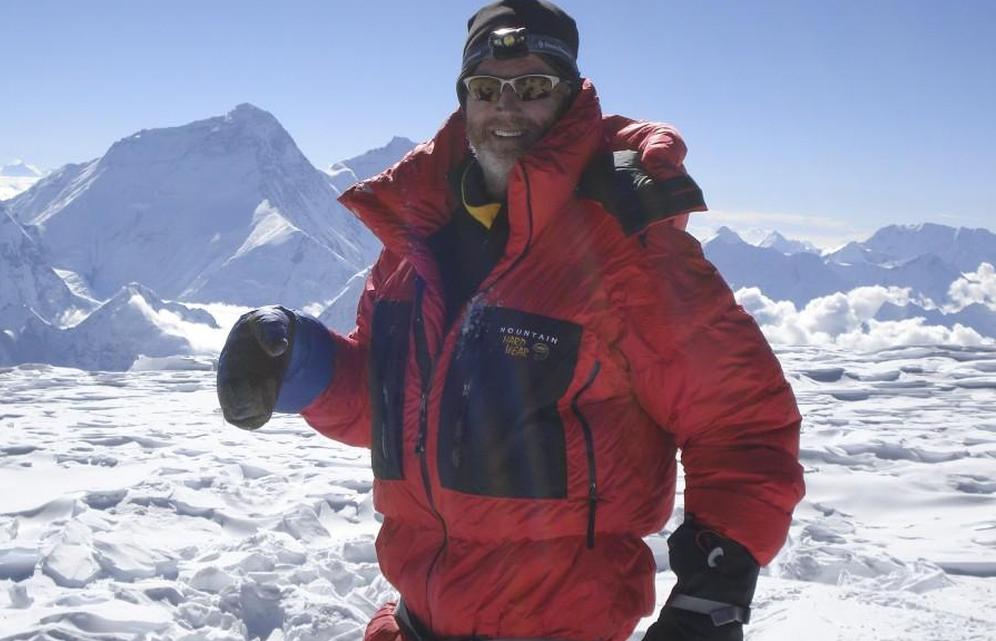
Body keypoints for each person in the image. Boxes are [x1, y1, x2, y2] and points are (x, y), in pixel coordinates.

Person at [217, 1, 805, 640]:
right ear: (464, 99)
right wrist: (300, 362)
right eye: (487, 88)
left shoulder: (625, 248)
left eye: (532, 87)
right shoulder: (416, 235)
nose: (506, 107)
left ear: (569, 96)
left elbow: (742, 422)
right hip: (416, 620)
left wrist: (713, 594)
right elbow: (397, 406)